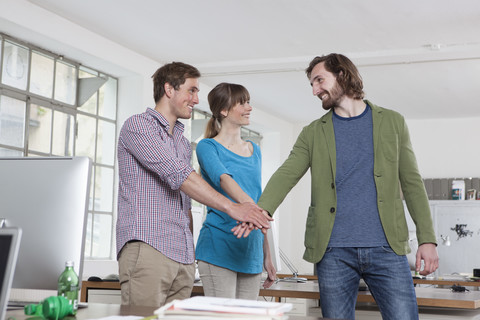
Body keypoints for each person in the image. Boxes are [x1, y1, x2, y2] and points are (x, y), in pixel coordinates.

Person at [249, 53, 439, 319]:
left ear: (342, 75)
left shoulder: (392, 122)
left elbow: (412, 182)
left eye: (319, 80)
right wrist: (260, 210)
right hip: (334, 251)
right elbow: (287, 173)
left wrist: (427, 238)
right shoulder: (313, 132)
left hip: (387, 247)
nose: (315, 90)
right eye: (312, 84)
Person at [116, 62, 272, 308]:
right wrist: (234, 208)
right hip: (149, 246)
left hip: (182, 255)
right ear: (169, 89)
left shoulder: (180, 139)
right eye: (192, 91)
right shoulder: (138, 126)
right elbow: (180, 175)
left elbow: (185, 199)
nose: (197, 99)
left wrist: (189, 251)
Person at [194, 83, 276, 300]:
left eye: (248, 102)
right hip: (218, 246)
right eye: (242, 103)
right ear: (223, 110)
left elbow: (259, 200)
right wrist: (253, 211)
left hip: (251, 250)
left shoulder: (254, 149)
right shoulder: (207, 147)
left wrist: (268, 255)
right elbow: (224, 179)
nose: (249, 108)